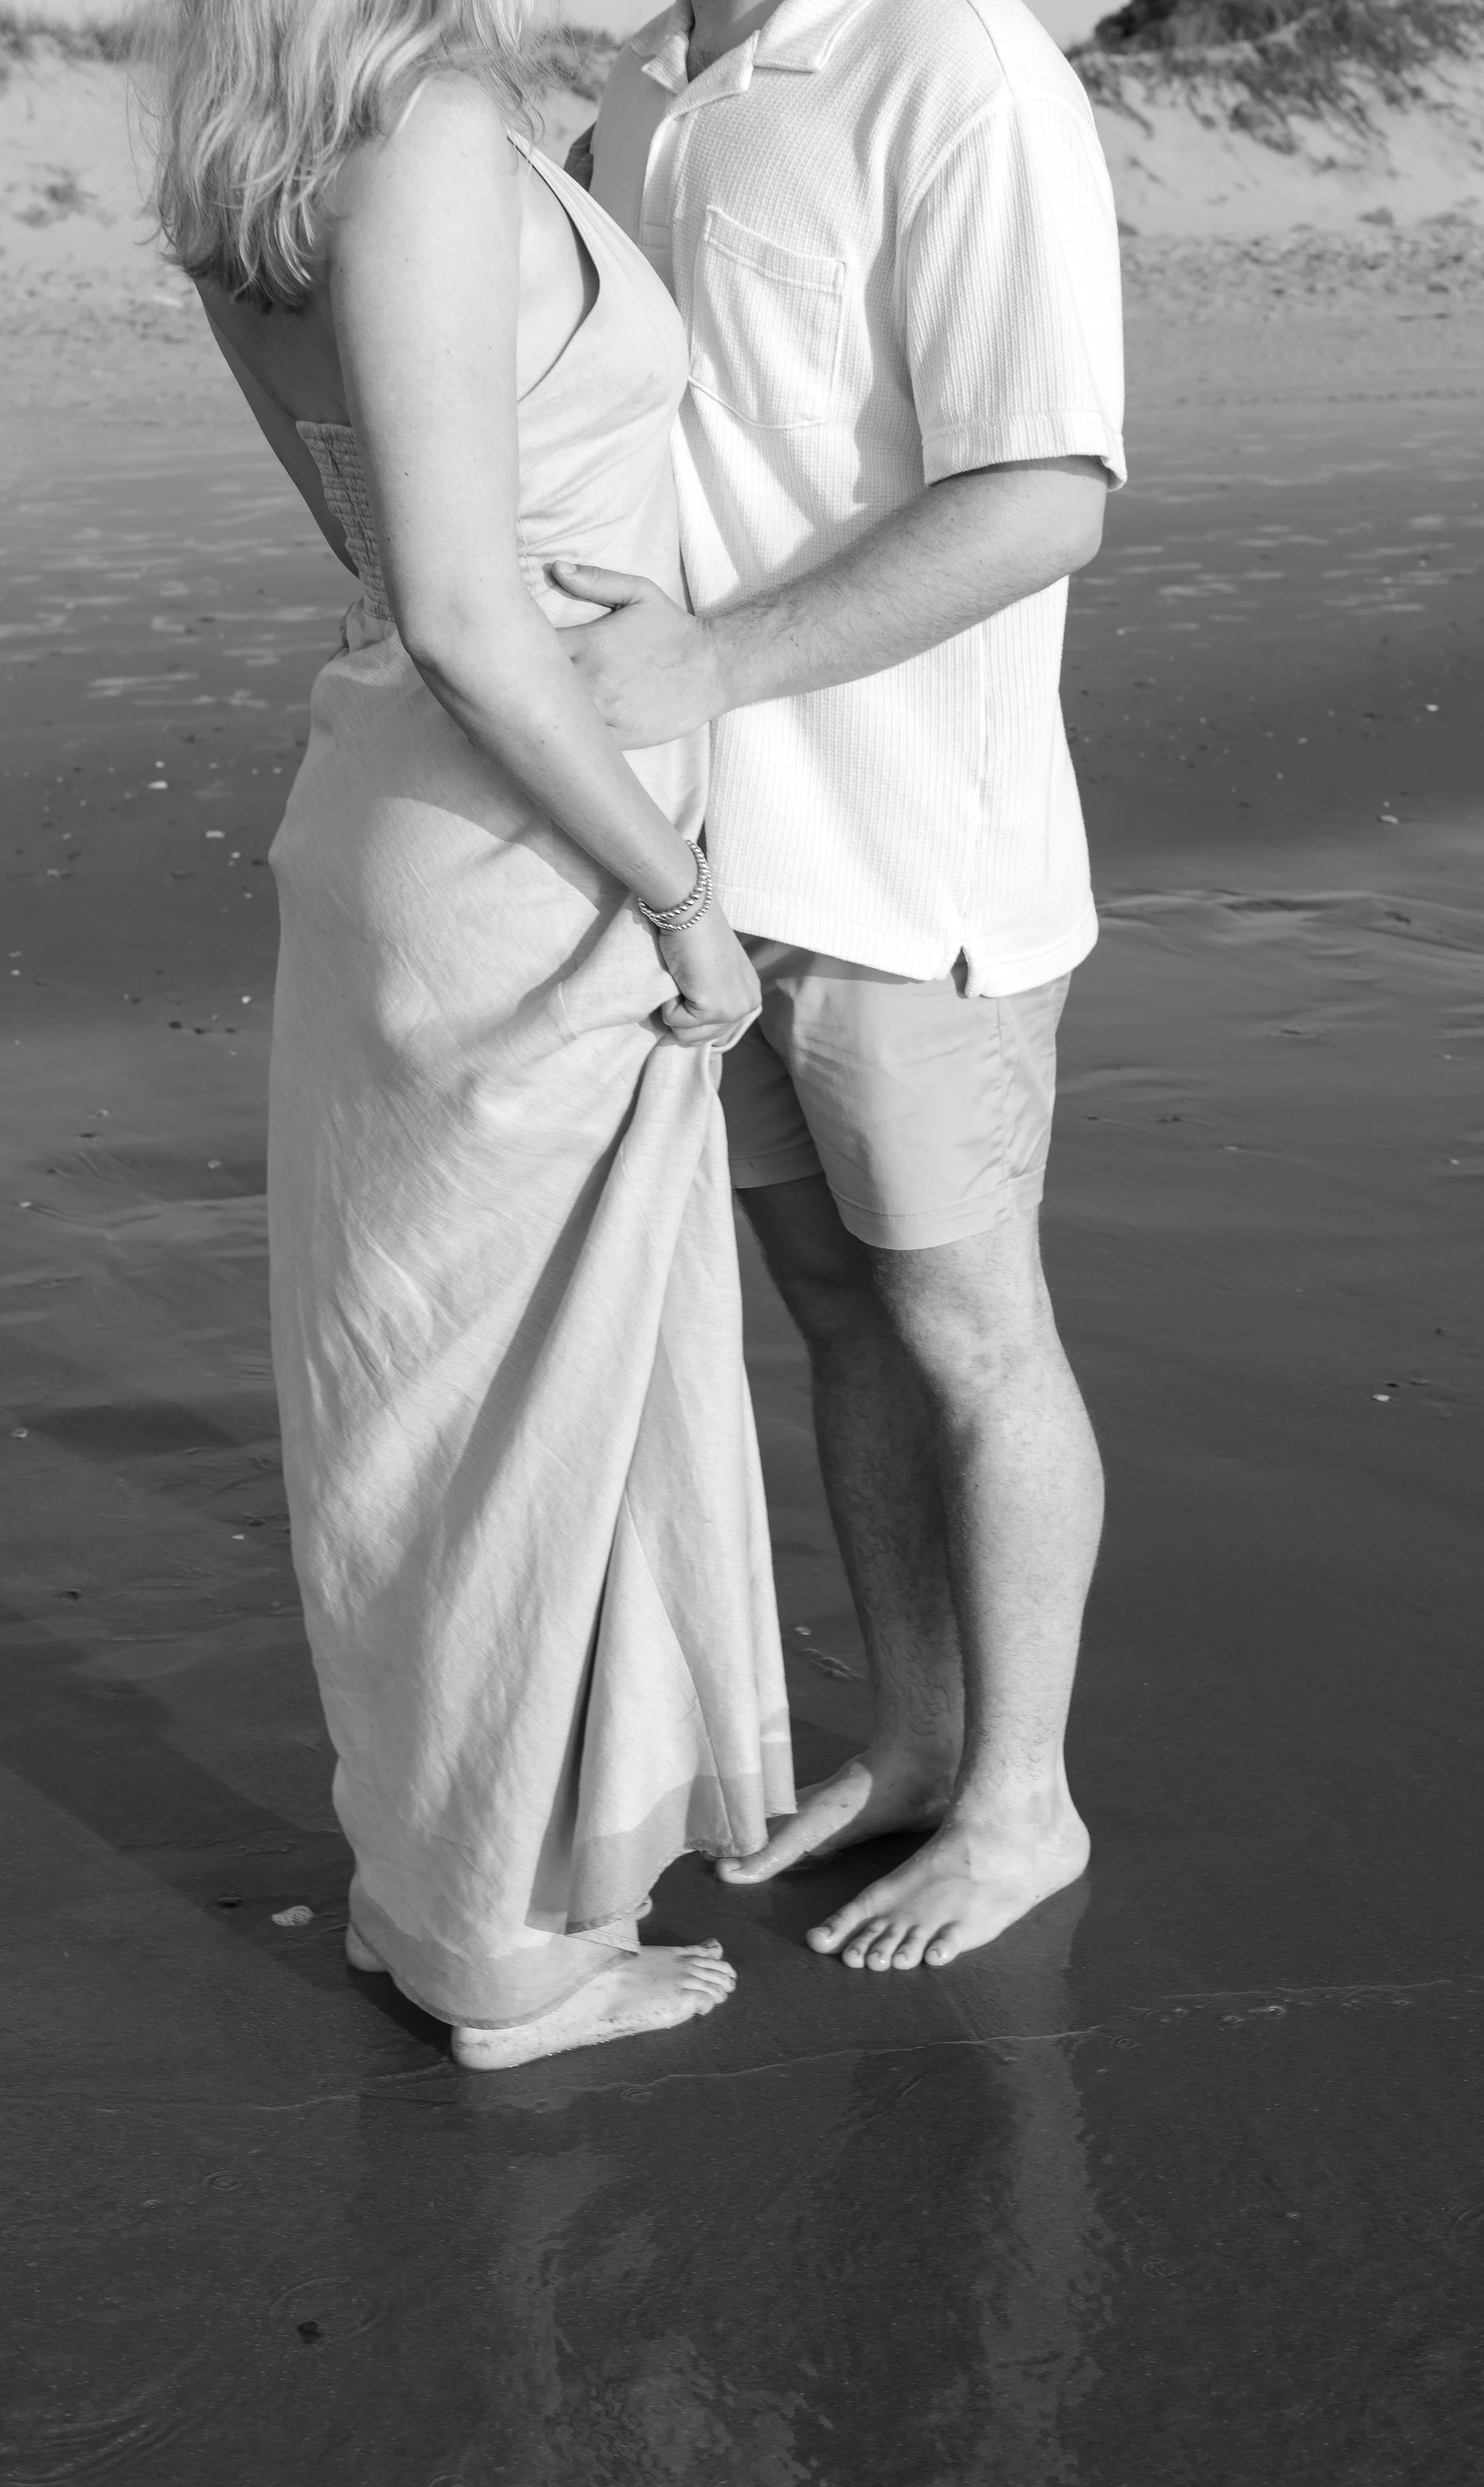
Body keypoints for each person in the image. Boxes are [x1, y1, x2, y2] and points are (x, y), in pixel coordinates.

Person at [146, 0, 794, 2070]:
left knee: (425, 1403)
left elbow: (384, 548)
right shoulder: (421, 124)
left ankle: (430, 1887)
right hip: (521, 827)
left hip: (421, 803)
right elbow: (460, 598)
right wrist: (684, 896)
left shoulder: (275, 132)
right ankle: (502, 1955)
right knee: (519, 1411)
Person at [559, 0, 1126, 1973]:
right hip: (704, 866)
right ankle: (914, 1740)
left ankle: (1022, 1800)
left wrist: (712, 664)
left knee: (968, 1326)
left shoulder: (953, 62)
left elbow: (1046, 489)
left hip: (910, 867)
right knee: (834, 1309)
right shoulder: (644, 76)